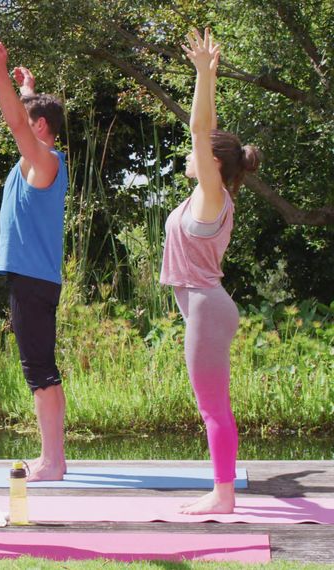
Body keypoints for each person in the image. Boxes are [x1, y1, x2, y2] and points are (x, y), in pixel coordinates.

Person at [161, 28, 259, 514]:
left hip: (206, 307)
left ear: (213, 164)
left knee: (211, 407)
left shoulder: (211, 194)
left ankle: (222, 495)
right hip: (203, 306)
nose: (188, 154)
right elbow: (209, 135)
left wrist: (204, 75)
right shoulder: (207, 194)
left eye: (198, 153)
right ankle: (221, 490)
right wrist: (208, 77)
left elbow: (202, 132)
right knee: (212, 404)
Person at [0, 38, 69, 481]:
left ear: (40, 127)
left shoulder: (45, 160)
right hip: (33, 278)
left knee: (39, 370)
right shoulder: (39, 160)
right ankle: (55, 457)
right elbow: (26, 117)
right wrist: (30, 86)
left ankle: (52, 462)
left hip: (33, 279)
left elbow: (17, 120)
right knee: (42, 367)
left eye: (28, 119)